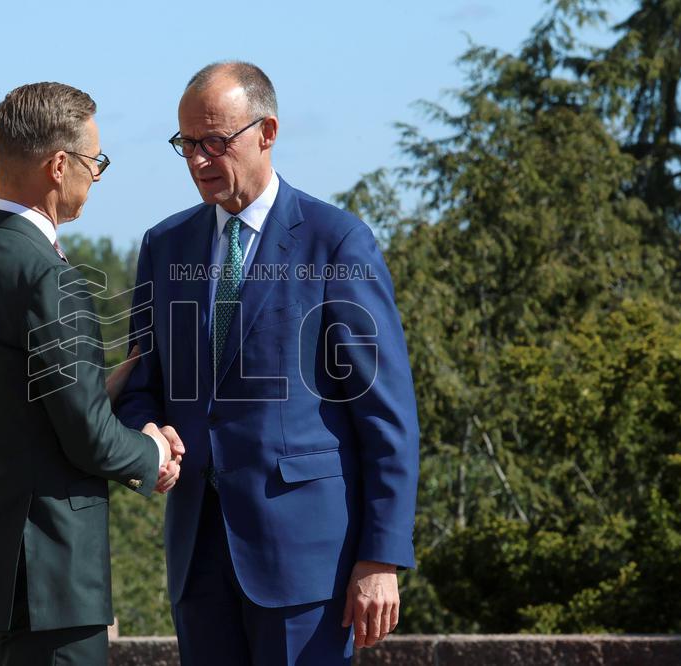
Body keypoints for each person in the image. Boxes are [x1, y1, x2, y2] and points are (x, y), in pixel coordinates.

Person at [115, 62, 420, 665]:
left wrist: (381, 556)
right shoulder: (164, 245)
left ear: (267, 132)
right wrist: (145, 429)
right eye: (187, 144)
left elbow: (386, 414)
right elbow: (140, 383)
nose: (199, 160)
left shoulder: (337, 243)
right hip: (197, 559)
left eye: (215, 142)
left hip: (308, 564)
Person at [0, 82, 183, 666]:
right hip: (50, 580)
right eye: (95, 162)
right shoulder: (51, 276)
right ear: (59, 165)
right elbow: (88, 438)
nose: (95, 176)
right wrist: (150, 454)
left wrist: (100, 386)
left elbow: (13, 403)